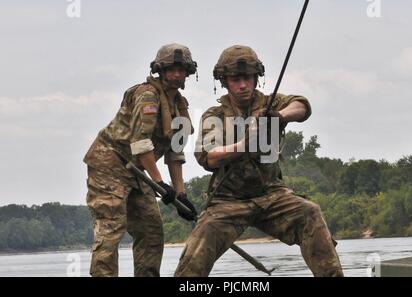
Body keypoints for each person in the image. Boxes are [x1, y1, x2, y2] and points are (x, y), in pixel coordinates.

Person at [174, 45, 343, 277]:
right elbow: (208, 156)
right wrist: (243, 145)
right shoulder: (216, 115)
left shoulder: (271, 104)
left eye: (247, 78)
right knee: (195, 256)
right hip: (228, 201)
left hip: (272, 195)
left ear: (256, 78)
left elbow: (302, 106)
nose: (243, 85)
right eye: (235, 79)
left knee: (310, 212)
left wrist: (280, 117)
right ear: (224, 81)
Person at [83, 43, 198, 277]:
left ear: (188, 72)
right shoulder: (147, 95)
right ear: (160, 70)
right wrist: (160, 183)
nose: (176, 74)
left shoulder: (180, 106)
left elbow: (175, 153)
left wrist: (180, 194)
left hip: (137, 171)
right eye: (171, 69)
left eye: (181, 69)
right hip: (109, 165)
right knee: (110, 229)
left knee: (151, 230)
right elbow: (140, 143)